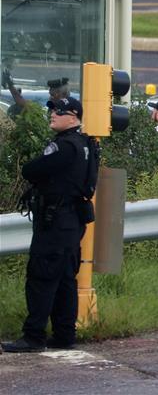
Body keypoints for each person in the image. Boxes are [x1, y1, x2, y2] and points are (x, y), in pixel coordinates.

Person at [1, 97, 98, 353]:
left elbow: (32, 170)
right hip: (72, 221)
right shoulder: (86, 144)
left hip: (55, 222)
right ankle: (65, 334)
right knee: (65, 278)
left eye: (59, 111)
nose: (53, 114)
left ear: (74, 116)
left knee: (41, 277)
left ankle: (33, 336)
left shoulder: (64, 146)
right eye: (52, 110)